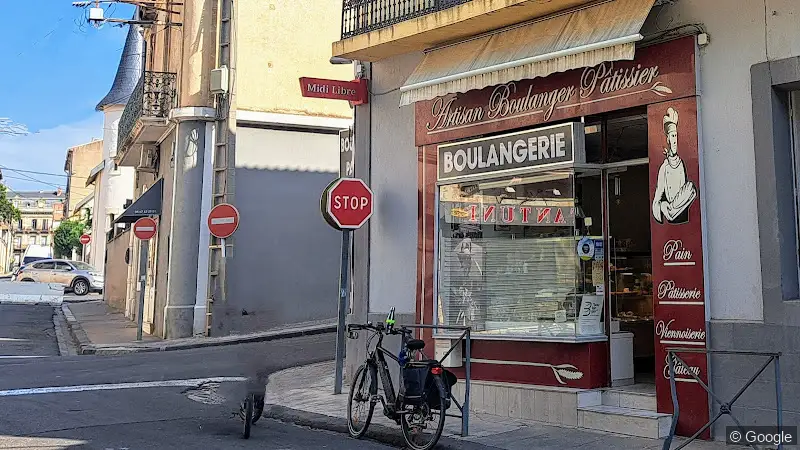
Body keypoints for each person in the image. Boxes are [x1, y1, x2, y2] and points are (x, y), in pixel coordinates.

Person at [651, 107, 697, 224]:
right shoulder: (664, 168)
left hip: (681, 212)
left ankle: (670, 210)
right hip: (674, 217)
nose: (675, 140)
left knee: (691, 187)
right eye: (672, 136)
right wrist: (658, 207)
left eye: (676, 136)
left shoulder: (681, 163)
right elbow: (658, 192)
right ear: (667, 139)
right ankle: (670, 211)